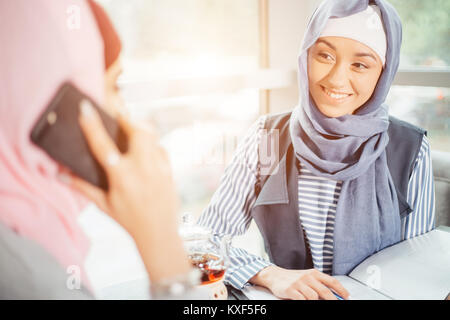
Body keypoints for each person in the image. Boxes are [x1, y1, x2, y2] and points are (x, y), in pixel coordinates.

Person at [197, 0, 435, 300]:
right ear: (305, 56)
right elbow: (206, 242)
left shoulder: (412, 148)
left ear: (384, 73)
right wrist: (269, 274)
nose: (336, 79)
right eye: (324, 55)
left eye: (360, 64)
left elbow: (419, 263)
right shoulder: (268, 137)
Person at [0, 0, 201, 299]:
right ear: (46, 100)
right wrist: (165, 251)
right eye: (114, 87)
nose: (122, 116)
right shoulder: (35, 281)